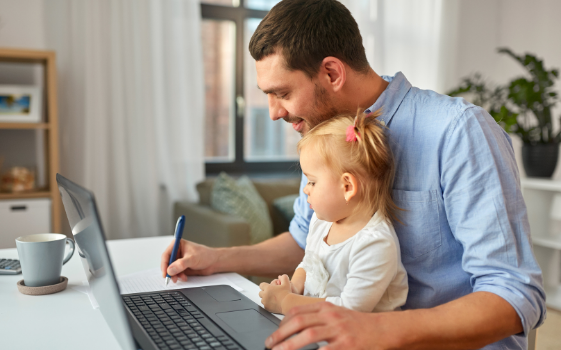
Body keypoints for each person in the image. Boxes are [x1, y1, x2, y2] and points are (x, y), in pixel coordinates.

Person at [161, 0, 546, 348]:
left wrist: (373, 329)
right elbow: (303, 240)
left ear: (331, 72)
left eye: (281, 92)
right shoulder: (326, 135)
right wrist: (216, 259)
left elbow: (515, 295)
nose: (274, 111)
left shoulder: (459, 131)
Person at [258, 111, 408, 315]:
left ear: (347, 187)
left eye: (312, 181)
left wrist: (286, 302)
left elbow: (350, 310)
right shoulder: (322, 223)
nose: (305, 189)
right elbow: (308, 264)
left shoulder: (375, 243)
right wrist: (292, 288)